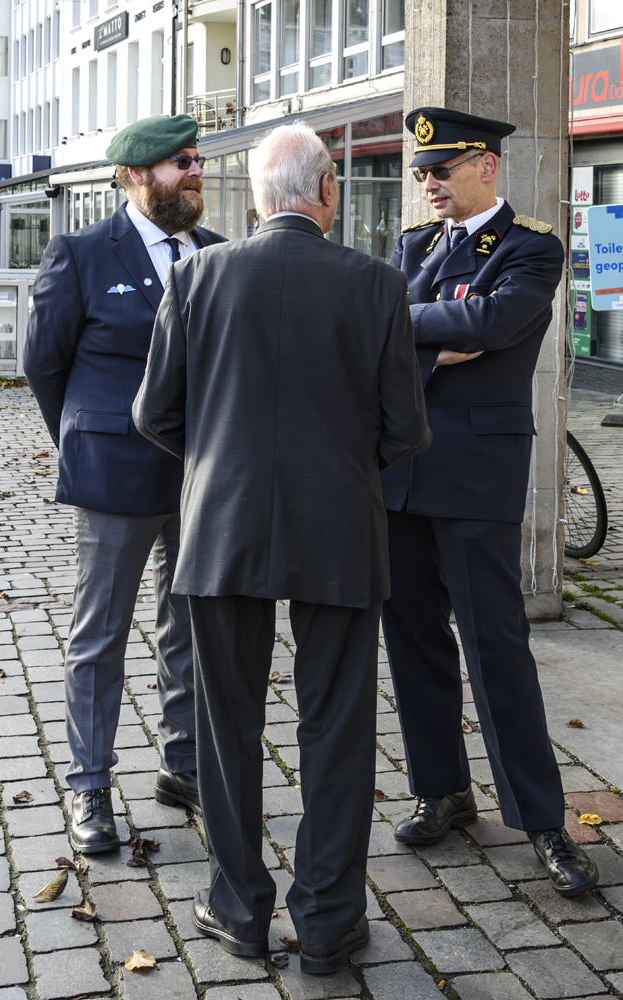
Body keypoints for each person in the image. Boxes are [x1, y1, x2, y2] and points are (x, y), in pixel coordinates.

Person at [133, 122, 430, 972]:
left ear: (260, 200)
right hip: (340, 525)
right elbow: (405, 428)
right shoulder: (377, 284)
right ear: (326, 189)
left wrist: (216, 462)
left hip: (221, 522)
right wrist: (341, 468)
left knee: (226, 721)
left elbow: (153, 413)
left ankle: (237, 908)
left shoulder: (196, 276)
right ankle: (329, 921)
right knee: (337, 722)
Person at [381, 106, 599, 897]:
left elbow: (494, 322)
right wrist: (432, 340)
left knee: (494, 646)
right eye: (421, 173)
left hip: (476, 475)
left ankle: (540, 820)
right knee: (412, 642)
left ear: (486, 165)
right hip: (401, 473)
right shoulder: (412, 246)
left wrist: (406, 329)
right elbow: (398, 331)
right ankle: (441, 791)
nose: (429, 184)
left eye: (442, 169)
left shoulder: (530, 246)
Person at [24, 114, 226, 854]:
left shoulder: (214, 253)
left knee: (190, 624)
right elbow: (44, 364)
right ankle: (89, 786)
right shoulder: (80, 253)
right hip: (115, 472)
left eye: (197, 159)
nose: (195, 171)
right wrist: (87, 438)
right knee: (100, 634)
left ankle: (183, 764)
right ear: (137, 174)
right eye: (181, 162)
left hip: (202, 473)